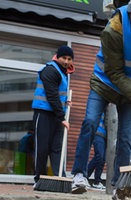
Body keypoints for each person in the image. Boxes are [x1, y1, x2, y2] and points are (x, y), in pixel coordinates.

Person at [70, 0, 131, 200]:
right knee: (90, 123)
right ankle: (79, 175)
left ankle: (120, 187)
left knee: (125, 138)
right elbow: (113, 72)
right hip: (104, 83)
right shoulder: (113, 31)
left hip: (129, 90)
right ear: (129, 13)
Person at [31, 45, 79, 191]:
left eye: (69, 59)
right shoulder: (50, 70)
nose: (66, 61)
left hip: (56, 116)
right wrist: (62, 116)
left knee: (57, 148)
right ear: (57, 57)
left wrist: (65, 102)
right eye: (64, 58)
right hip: (44, 114)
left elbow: (57, 95)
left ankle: (60, 178)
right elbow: (51, 95)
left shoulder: (63, 73)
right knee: (42, 148)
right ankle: (38, 179)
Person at [86, 113, 107, 190]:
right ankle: (94, 180)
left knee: (102, 158)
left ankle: (94, 180)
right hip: (98, 132)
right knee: (100, 156)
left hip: (107, 136)